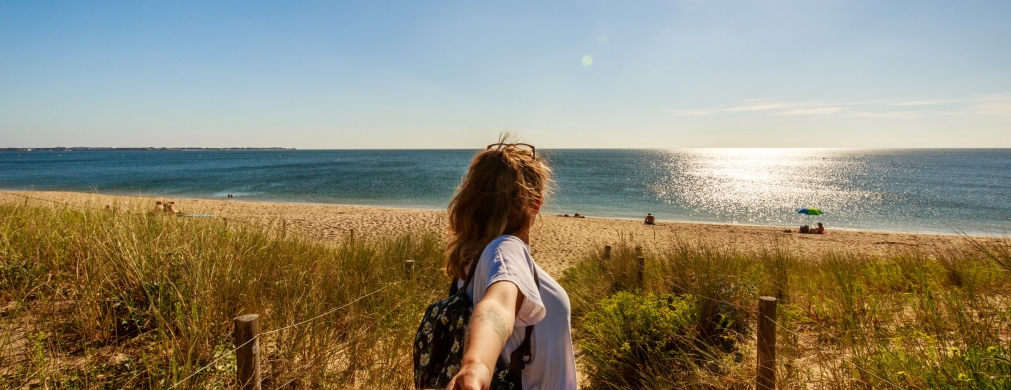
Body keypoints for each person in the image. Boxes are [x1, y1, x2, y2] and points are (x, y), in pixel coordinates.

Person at [445, 136, 577, 390]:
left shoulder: (470, 263)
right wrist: (477, 365)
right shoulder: (507, 250)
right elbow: (497, 306)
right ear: (536, 203)